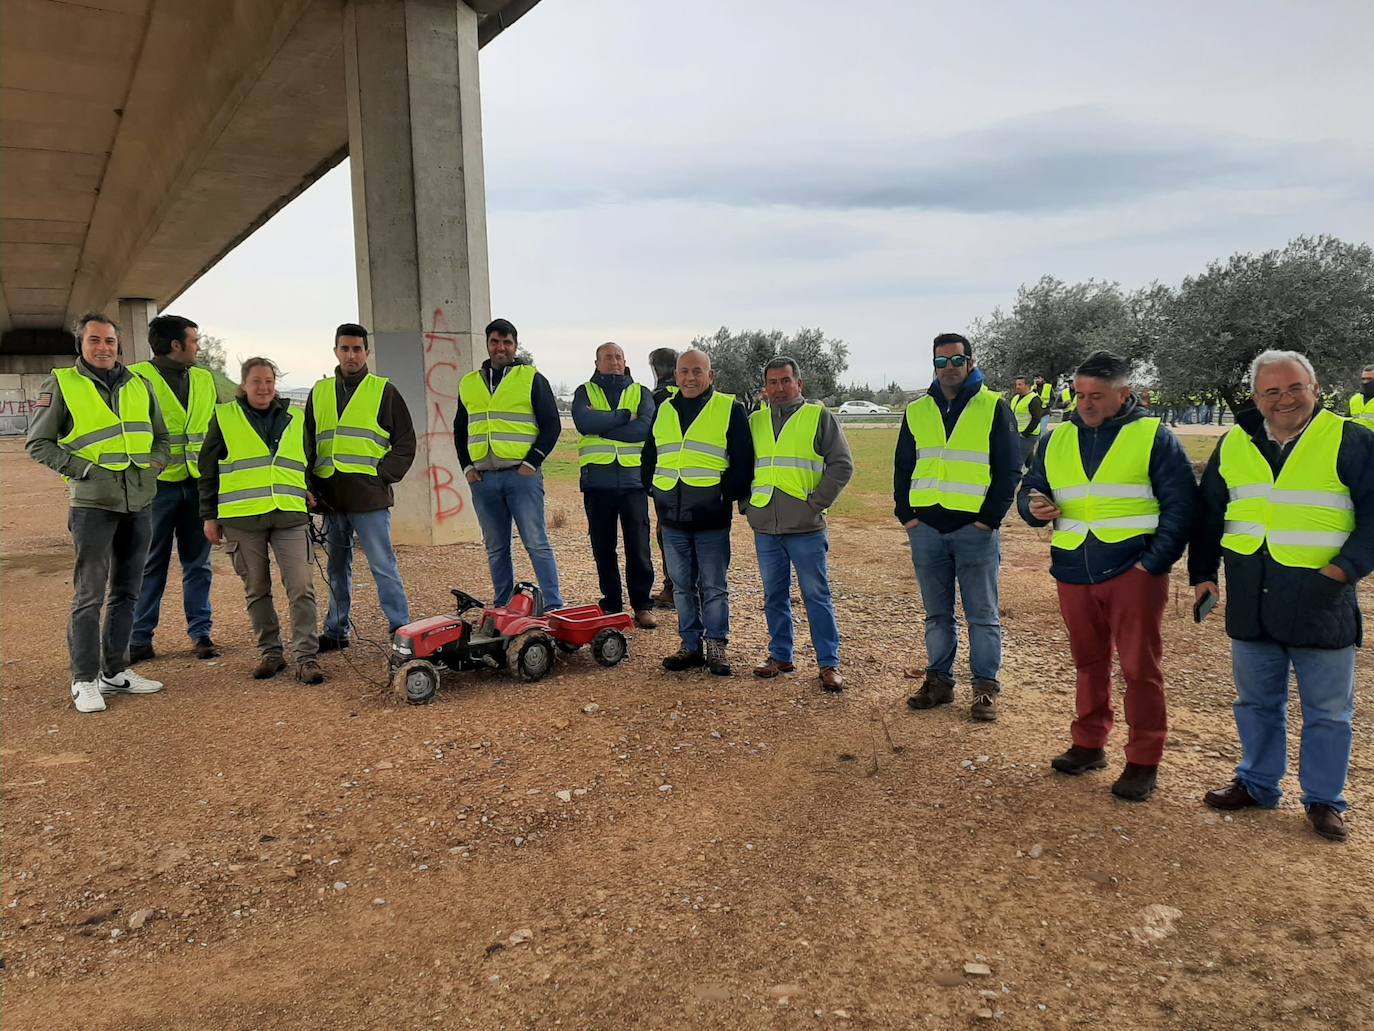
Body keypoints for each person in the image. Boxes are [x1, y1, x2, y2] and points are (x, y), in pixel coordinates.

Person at [1191, 350, 1374, 843]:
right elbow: (1210, 512)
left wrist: (1342, 571)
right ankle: (1257, 783)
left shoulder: (1350, 439)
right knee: (1255, 702)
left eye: (1295, 387)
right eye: (1271, 391)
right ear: (1256, 398)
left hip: (1322, 598)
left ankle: (1324, 799)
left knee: (1328, 713)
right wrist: (1202, 573)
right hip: (1251, 595)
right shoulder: (1235, 442)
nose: (1284, 399)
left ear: (1315, 389)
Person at [1018, 351, 1195, 801]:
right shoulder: (1056, 438)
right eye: (1080, 395)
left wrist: (1153, 563)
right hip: (1073, 567)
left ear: (1124, 394)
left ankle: (1143, 759)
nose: (1086, 404)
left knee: (1140, 668)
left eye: (1097, 396)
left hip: (1133, 570)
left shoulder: (1154, 436)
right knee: (1088, 662)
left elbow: (1181, 507)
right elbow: (1032, 486)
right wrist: (1033, 507)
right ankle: (1089, 742)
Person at [26, 313, 171, 712]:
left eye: (109, 340)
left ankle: (115, 671)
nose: (103, 347)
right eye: (95, 340)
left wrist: (155, 465)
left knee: (127, 591)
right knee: (89, 595)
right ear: (81, 344)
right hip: (93, 505)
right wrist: (84, 470)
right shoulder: (62, 384)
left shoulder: (139, 384)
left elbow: (161, 436)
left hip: (138, 501)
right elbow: (38, 443)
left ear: (118, 345)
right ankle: (84, 678)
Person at [898, 333, 1021, 722]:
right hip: (926, 529)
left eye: (956, 360)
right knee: (936, 615)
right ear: (933, 365)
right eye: (941, 361)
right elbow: (904, 465)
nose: (948, 367)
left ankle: (984, 688)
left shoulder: (993, 406)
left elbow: (1009, 468)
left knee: (981, 615)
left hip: (975, 530)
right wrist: (907, 515)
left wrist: (989, 519)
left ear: (970, 362)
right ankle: (939, 681)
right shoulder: (917, 410)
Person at [199, 358, 323, 684]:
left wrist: (308, 488)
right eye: (256, 381)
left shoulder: (295, 417)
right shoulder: (225, 417)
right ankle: (271, 653)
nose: (264, 387)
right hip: (242, 518)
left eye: (269, 381)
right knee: (257, 589)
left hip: (289, 514)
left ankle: (306, 658)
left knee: (301, 587)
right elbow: (207, 470)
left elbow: (306, 459)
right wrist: (209, 516)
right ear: (244, 384)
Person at [305, 323, 416, 650]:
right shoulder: (319, 392)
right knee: (337, 568)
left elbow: (405, 442)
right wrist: (310, 486)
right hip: (331, 498)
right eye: (345, 349)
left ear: (367, 352)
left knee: (383, 566)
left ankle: (400, 629)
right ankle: (336, 632)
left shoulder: (384, 391)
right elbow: (307, 444)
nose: (351, 355)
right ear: (336, 351)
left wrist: (382, 476)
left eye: (357, 349)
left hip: (369, 499)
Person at [641, 348, 752, 675]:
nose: (690, 378)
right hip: (672, 518)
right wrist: (654, 488)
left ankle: (716, 645)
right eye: (684, 371)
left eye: (697, 371)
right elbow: (651, 454)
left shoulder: (729, 408)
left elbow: (743, 461)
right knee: (682, 586)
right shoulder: (663, 409)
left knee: (713, 586)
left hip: (711, 517)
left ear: (710, 375)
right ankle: (690, 645)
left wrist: (724, 494)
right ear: (676, 376)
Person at [747, 357, 853, 691]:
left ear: (799, 383)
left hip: (805, 526)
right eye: (773, 382)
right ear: (765, 387)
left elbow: (842, 465)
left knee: (816, 594)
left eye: (785, 381)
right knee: (774, 594)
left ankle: (828, 663)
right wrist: (747, 504)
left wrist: (816, 504)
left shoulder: (818, 417)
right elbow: (743, 466)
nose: (779, 388)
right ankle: (780, 655)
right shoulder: (755, 421)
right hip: (766, 524)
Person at [128, 314, 221, 663]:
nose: (198, 346)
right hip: (157, 488)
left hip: (197, 486)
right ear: (176, 345)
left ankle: (201, 633)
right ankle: (139, 638)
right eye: (194, 340)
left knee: (198, 564)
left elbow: (214, 429)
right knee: (150, 564)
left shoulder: (203, 378)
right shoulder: (136, 378)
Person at [453, 318, 563, 609]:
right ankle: (503, 605)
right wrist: (467, 468)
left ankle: (553, 605)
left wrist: (532, 462)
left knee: (536, 543)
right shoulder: (469, 383)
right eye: (495, 342)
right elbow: (460, 429)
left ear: (515, 345)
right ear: (487, 344)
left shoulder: (531, 378)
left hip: (521, 476)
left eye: (507, 342)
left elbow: (551, 424)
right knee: (496, 547)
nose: (500, 348)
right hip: (483, 479)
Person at [571, 342, 657, 628]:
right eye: (608, 357)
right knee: (603, 547)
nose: (614, 361)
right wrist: (623, 417)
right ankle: (612, 605)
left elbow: (645, 428)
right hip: (598, 482)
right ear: (597, 363)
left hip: (634, 482)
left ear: (625, 360)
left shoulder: (641, 392)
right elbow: (585, 422)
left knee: (639, 546)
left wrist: (603, 427)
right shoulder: (585, 391)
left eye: (618, 356)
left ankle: (642, 605)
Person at [647, 346, 680, 610]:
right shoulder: (690, 394)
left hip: (665, 476)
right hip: (697, 477)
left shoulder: (656, 397)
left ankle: (673, 587)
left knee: (667, 532)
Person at [1009, 375, 1045, 468]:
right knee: (1029, 460)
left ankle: (1015, 476)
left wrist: (1025, 433)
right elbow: (1012, 416)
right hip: (1017, 433)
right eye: (1016, 384)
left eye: (1020, 384)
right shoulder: (1015, 398)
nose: (1017, 387)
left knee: (1017, 461)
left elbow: (1036, 419)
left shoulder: (1034, 399)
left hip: (1028, 435)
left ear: (1027, 385)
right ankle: (1035, 471)